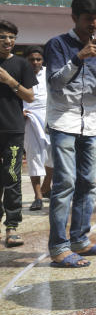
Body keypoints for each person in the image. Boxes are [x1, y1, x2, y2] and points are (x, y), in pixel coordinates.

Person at [45, 0, 96, 266]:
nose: (94, 24)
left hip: (89, 125)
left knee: (87, 185)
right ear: (74, 18)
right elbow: (55, 83)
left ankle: (80, 240)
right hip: (63, 122)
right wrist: (78, 58)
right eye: (89, 18)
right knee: (65, 184)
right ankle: (58, 247)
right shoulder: (57, 44)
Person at [0, 20, 37, 247]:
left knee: (12, 178)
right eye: (3, 37)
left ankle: (12, 227)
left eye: (12, 37)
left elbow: (30, 97)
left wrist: (9, 81)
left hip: (13, 129)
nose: (7, 41)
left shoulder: (22, 65)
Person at [22, 47, 50, 211]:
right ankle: (38, 196)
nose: (35, 63)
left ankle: (47, 187)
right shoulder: (20, 73)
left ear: (42, 60)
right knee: (34, 156)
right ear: (26, 60)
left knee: (53, 155)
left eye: (38, 59)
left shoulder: (49, 73)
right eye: (31, 60)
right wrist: (20, 111)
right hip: (30, 119)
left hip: (49, 118)